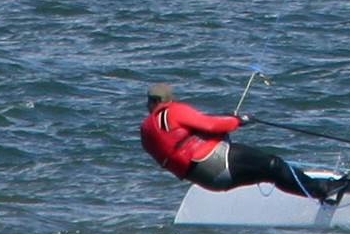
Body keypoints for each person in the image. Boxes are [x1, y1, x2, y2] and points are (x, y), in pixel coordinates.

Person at [139, 84, 338, 202]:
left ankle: (318, 191)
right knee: (274, 165)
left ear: (151, 102)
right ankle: (323, 190)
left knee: (271, 173)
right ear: (167, 100)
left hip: (209, 180)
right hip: (215, 161)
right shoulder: (172, 111)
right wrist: (237, 121)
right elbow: (210, 125)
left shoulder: (146, 131)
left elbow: (177, 143)